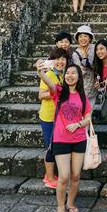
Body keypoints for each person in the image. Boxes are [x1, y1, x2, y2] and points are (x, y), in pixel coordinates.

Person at [36, 62, 92, 212]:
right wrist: (40, 72)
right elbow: (47, 81)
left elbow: (88, 118)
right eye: (67, 73)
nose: (70, 75)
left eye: (73, 73)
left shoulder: (83, 96)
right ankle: (60, 206)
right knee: (64, 177)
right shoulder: (59, 92)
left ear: (78, 77)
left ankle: (71, 202)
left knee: (76, 175)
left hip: (79, 139)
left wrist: (78, 124)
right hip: (61, 139)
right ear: (64, 76)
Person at [37, 47, 70, 188]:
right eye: (57, 58)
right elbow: (41, 95)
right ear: (52, 61)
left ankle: (51, 175)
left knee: (56, 146)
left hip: (60, 118)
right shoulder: (49, 75)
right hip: (49, 117)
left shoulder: (64, 75)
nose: (60, 61)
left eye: (63, 58)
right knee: (50, 147)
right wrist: (55, 93)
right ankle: (49, 177)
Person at [72, 25, 96, 106]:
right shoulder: (75, 54)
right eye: (81, 37)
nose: (83, 39)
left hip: (93, 87)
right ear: (78, 39)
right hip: (82, 88)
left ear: (90, 38)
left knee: (90, 113)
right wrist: (84, 61)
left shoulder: (95, 49)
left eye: (85, 36)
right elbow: (79, 73)